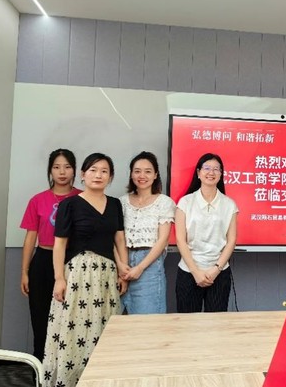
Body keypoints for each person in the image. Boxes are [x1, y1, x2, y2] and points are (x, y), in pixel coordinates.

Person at [42, 153, 129, 387]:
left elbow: (119, 240)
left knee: (104, 328)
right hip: (78, 275)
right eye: (93, 170)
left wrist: (123, 272)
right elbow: (59, 244)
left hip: (107, 276)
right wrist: (59, 278)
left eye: (104, 171)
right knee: (75, 329)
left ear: (110, 177)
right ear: (82, 175)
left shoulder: (115, 204)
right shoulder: (70, 204)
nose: (98, 175)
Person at [20, 149, 81, 361]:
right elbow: (30, 238)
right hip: (43, 261)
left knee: (70, 318)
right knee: (41, 318)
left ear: (75, 170)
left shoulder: (83, 198)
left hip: (72, 261)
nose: (62, 172)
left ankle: (67, 368)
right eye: (56, 167)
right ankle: (40, 368)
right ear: (50, 170)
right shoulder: (38, 200)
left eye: (67, 167)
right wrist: (25, 271)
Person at [175, 153, 238, 313]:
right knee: (187, 322)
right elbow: (180, 240)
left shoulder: (229, 204)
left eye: (216, 169)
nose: (211, 172)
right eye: (207, 168)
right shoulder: (185, 202)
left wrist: (216, 269)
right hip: (189, 271)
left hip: (219, 273)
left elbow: (231, 241)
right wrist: (196, 272)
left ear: (221, 174)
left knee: (216, 324)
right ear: (198, 172)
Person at [119, 151, 176, 314]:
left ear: (155, 175)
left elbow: (162, 240)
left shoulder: (164, 202)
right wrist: (120, 266)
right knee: (115, 320)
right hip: (122, 263)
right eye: (137, 171)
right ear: (131, 174)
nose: (142, 176)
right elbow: (117, 238)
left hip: (149, 266)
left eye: (148, 171)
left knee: (148, 320)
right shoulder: (121, 202)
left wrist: (140, 267)